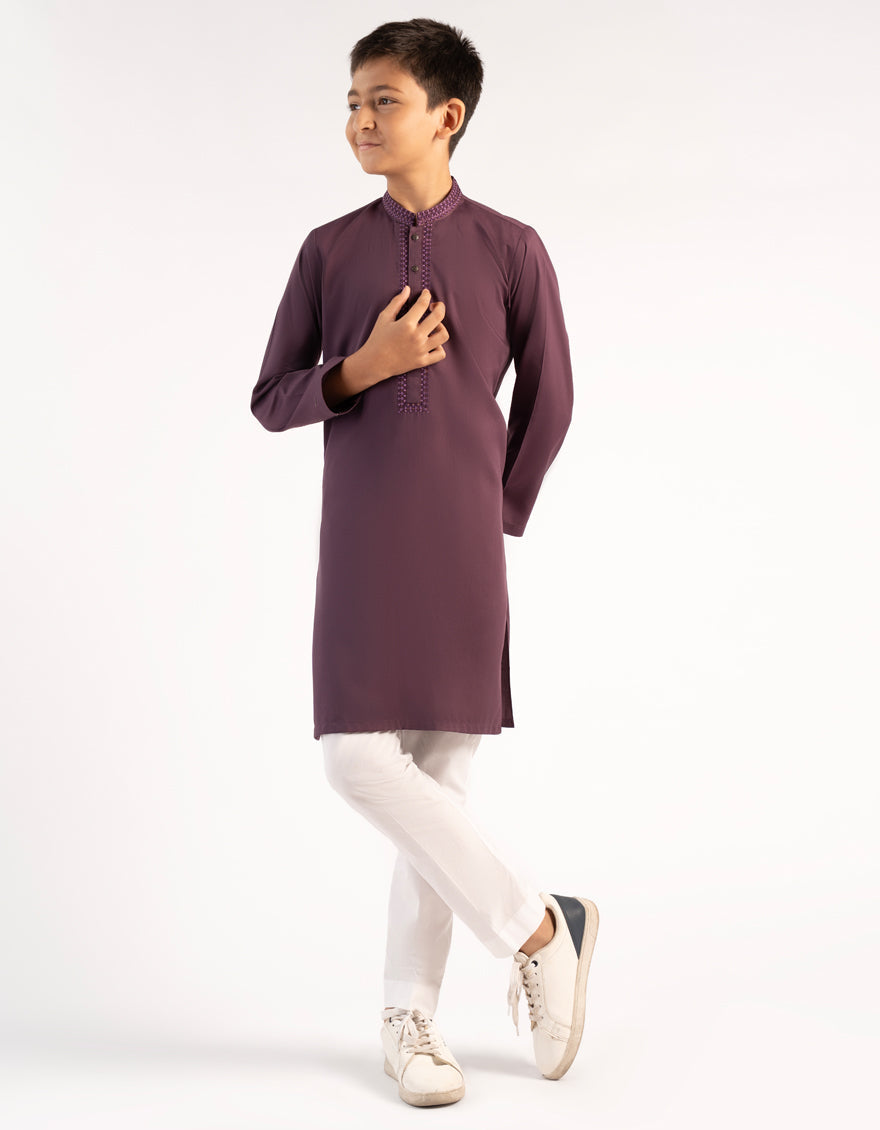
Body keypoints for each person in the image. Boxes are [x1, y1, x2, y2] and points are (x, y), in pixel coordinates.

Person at [251, 17, 599, 1108]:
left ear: (447, 116)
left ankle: (410, 1024)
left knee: (437, 788)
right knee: (357, 761)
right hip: (360, 546)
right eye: (352, 102)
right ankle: (540, 928)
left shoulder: (511, 247)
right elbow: (272, 397)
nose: (360, 119)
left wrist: (496, 510)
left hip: (462, 548)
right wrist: (362, 366)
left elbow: (552, 398)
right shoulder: (328, 250)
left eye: (383, 100)